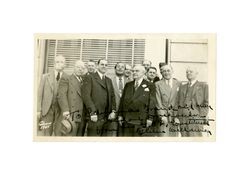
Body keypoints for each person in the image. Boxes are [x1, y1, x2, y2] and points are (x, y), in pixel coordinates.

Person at [118, 65, 156, 136]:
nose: (134, 72)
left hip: (141, 120)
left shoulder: (150, 85)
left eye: (137, 71)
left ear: (143, 72)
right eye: (133, 71)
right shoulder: (128, 85)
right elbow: (122, 101)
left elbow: (152, 103)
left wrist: (150, 118)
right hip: (127, 119)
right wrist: (120, 115)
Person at [82, 59, 116, 136]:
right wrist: (92, 112)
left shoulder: (108, 80)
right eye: (102, 64)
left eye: (106, 65)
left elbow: (112, 96)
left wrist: (113, 111)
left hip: (107, 117)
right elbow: (86, 96)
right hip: (95, 116)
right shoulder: (90, 77)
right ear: (97, 66)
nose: (104, 66)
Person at [37, 55, 68, 136]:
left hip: (60, 111)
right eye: (57, 62)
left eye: (62, 62)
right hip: (47, 110)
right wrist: (38, 110)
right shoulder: (45, 77)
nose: (59, 64)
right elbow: (40, 94)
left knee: (59, 134)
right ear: (54, 64)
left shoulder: (68, 78)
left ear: (65, 65)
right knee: (46, 133)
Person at [55, 60, 88, 136]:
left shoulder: (84, 81)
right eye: (78, 67)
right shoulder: (67, 79)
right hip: (70, 114)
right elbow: (61, 95)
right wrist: (65, 110)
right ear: (74, 68)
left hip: (81, 116)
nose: (80, 69)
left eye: (82, 68)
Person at [177, 67, 209, 137]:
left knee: (196, 138)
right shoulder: (182, 86)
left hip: (196, 118)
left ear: (196, 73)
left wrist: (201, 116)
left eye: (191, 71)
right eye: (187, 72)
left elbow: (206, 102)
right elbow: (178, 102)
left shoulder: (203, 86)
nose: (188, 73)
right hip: (183, 119)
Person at [155, 65, 180, 136]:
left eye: (168, 70)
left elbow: (181, 101)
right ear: (161, 73)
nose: (166, 73)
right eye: (164, 71)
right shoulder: (157, 84)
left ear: (172, 71)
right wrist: (162, 116)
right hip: (164, 118)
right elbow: (158, 101)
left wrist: (177, 116)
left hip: (175, 117)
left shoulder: (178, 83)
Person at [110, 62, 130, 136]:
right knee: (112, 135)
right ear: (115, 69)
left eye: (122, 67)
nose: (120, 68)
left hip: (125, 114)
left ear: (125, 70)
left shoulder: (130, 82)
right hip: (112, 112)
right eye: (118, 66)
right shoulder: (109, 81)